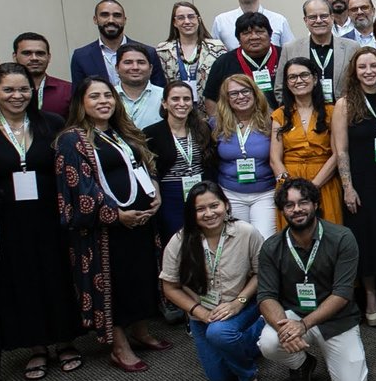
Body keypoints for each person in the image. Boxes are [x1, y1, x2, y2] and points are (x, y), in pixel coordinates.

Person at [0, 63, 80, 379]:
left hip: (51, 215)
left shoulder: (51, 123)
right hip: (9, 220)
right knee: (22, 280)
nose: (17, 95)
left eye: (23, 89)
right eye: (8, 89)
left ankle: (65, 340)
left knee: (57, 275)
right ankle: (36, 347)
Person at [54, 77, 166, 373]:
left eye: (108, 96)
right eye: (95, 97)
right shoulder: (72, 140)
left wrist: (153, 191)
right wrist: (116, 215)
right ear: (81, 103)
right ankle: (119, 345)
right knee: (114, 284)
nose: (103, 101)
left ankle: (140, 331)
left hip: (141, 221)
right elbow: (78, 188)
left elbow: (144, 165)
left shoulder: (122, 132)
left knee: (140, 277)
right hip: (104, 231)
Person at [256, 178, 367, 381]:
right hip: (293, 315)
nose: (297, 209)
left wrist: (303, 325)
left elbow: (342, 293)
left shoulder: (342, 238)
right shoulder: (271, 246)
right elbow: (266, 296)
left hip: (336, 319)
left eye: (303, 202)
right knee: (268, 343)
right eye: (289, 205)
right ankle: (302, 364)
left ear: (315, 204)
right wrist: (285, 330)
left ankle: (335, 353)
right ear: (282, 211)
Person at [160, 182, 264, 381]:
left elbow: (261, 274)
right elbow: (169, 287)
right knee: (219, 379)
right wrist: (200, 313)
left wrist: (239, 302)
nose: (209, 214)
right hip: (202, 314)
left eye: (214, 205)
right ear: (192, 213)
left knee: (220, 333)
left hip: (243, 306)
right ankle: (246, 341)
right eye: (200, 209)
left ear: (226, 205)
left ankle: (248, 373)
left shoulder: (246, 232)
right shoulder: (180, 241)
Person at [334, 47, 376, 328]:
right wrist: (348, 187)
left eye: (374, 66)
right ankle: (371, 295)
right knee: (364, 238)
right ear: (354, 71)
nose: (369, 72)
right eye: (363, 67)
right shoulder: (345, 104)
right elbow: (341, 151)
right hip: (360, 183)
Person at [143, 79, 215, 250]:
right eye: (175, 99)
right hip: (170, 196)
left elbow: (211, 164)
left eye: (187, 99)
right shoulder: (151, 133)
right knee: (177, 244)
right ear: (164, 103)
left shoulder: (203, 128)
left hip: (201, 193)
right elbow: (149, 169)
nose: (182, 104)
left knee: (204, 242)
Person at [270, 57, 341, 226]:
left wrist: (312, 187)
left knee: (328, 235)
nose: (298, 80)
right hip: (289, 183)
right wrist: (291, 189)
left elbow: (337, 154)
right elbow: (275, 159)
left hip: (324, 182)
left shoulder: (332, 111)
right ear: (286, 83)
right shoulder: (280, 115)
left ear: (315, 79)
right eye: (292, 77)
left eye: (304, 75)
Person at [211, 73, 278, 239]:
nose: (241, 96)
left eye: (245, 91)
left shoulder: (271, 120)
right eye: (233, 93)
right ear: (226, 98)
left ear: (255, 93)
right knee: (237, 242)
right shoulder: (215, 123)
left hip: (265, 194)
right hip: (230, 193)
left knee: (264, 239)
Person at [70, 0, 166, 89]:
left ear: (124, 20)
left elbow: (160, 92)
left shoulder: (148, 53)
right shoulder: (81, 57)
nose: (111, 20)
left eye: (117, 15)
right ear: (95, 19)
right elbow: (78, 98)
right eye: (104, 15)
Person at [286, 0, 360, 104]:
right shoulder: (290, 49)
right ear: (305, 21)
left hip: (343, 113)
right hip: (305, 116)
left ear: (332, 18)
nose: (319, 20)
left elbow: (358, 84)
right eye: (312, 17)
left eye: (324, 16)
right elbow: (280, 87)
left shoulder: (352, 47)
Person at [203, 11, 283, 106]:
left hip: (282, 118)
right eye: (247, 33)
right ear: (238, 38)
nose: (254, 37)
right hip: (238, 119)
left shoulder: (284, 56)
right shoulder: (224, 62)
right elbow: (211, 98)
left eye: (260, 32)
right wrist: (216, 120)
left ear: (270, 34)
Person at [155, 1, 226, 103]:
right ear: (174, 23)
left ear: (199, 20)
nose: (187, 21)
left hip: (211, 108)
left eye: (191, 17)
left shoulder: (217, 47)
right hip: (176, 109)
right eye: (181, 18)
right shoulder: (163, 50)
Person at [11, 32, 73, 120]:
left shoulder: (68, 90)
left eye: (40, 53)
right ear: (15, 56)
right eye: (27, 53)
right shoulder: (5, 92)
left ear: (49, 57)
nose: (34, 58)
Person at [114, 42, 165, 129]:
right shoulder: (108, 97)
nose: (135, 67)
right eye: (128, 62)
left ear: (151, 68)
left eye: (141, 62)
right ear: (117, 68)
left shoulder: (164, 96)